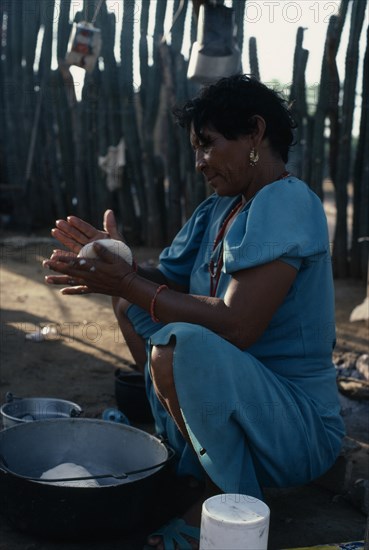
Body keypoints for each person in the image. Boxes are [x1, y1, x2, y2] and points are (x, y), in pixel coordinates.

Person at [44, 74, 345, 549]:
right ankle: (191, 459)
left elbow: (239, 325)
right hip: (237, 401)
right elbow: (161, 280)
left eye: (207, 144)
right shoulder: (218, 210)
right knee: (132, 306)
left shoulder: (288, 202)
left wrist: (130, 283)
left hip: (293, 425)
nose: (200, 162)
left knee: (177, 345)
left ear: (255, 133)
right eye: (195, 148)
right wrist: (117, 261)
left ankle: (229, 499)